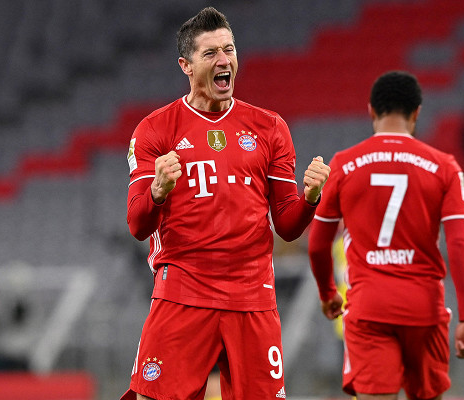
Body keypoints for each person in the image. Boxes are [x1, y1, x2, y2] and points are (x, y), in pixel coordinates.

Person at [122, 7, 330, 400]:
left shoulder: (270, 128)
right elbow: (137, 225)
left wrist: (310, 198)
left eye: (229, 49)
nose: (224, 60)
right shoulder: (155, 129)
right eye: (210, 53)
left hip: (252, 297)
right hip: (183, 293)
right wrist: (158, 191)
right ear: (186, 65)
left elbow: (287, 225)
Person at [308, 71, 464, 400]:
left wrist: (328, 292)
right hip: (424, 308)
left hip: (369, 308)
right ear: (417, 113)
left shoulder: (343, 164)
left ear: (371, 110)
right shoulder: (445, 167)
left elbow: (317, 243)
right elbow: (459, 244)